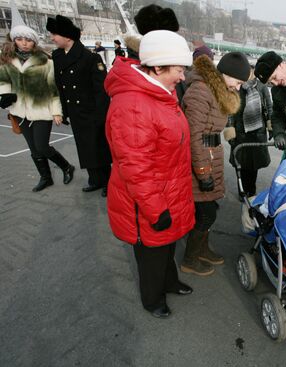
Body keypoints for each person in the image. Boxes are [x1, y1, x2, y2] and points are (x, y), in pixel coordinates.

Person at [104, 30, 195, 319]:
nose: (182, 77)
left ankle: (168, 281)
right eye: (179, 70)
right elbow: (136, 167)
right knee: (151, 254)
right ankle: (152, 298)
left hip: (168, 188)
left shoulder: (160, 92)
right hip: (147, 198)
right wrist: (156, 209)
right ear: (157, 68)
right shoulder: (133, 104)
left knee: (166, 246)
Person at [180, 52, 249, 276]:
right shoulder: (201, 91)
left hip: (211, 156)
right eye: (238, 82)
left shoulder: (215, 90)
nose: (238, 88)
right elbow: (193, 136)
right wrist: (202, 173)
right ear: (226, 74)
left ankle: (201, 249)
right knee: (206, 212)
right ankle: (190, 258)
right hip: (200, 160)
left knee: (210, 209)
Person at [0, 4, 74, 192]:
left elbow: (53, 89)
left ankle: (66, 166)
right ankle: (45, 177)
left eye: (28, 40)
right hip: (18, 111)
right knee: (33, 149)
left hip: (42, 110)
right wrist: (4, 95)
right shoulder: (7, 60)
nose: (24, 43)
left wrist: (57, 112)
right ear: (14, 40)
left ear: (34, 42)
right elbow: (3, 81)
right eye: (20, 39)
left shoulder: (45, 62)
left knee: (42, 147)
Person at [46, 15, 112, 197]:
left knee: (98, 147)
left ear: (68, 36)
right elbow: (60, 85)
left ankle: (108, 181)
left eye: (55, 34)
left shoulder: (91, 58)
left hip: (92, 112)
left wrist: (101, 116)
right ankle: (95, 179)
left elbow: (102, 91)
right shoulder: (57, 55)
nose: (52, 38)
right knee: (84, 147)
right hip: (75, 111)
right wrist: (63, 111)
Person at [226, 66, 272, 198]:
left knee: (253, 166)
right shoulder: (235, 85)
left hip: (257, 132)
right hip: (240, 132)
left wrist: (271, 126)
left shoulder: (261, 86)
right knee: (239, 163)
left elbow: (269, 106)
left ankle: (251, 190)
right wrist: (230, 130)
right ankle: (242, 190)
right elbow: (230, 111)